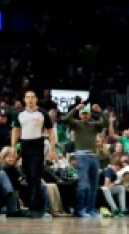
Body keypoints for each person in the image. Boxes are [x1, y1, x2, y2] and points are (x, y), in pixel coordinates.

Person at [63, 99, 111, 217]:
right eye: (83, 114)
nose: (85, 116)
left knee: (94, 186)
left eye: (87, 114)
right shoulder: (77, 124)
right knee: (83, 184)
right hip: (82, 156)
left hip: (94, 156)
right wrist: (76, 108)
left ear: (89, 115)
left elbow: (105, 123)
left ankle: (91, 209)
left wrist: (100, 112)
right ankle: (80, 209)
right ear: (80, 115)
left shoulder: (93, 125)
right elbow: (66, 119)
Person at [11, 90, 55, 218]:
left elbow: (51, 132)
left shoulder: (42, 113)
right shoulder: (19, 114)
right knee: (28, 176)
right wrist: (13, 146)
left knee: (36, 176)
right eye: (27, 97)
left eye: (32, 97)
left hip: (38, 144)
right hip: (25, 144)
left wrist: (52, 149)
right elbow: (16, 130)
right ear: (24, 99)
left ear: (36, 99)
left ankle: (35, 208)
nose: (30, 99)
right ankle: (32, 205)